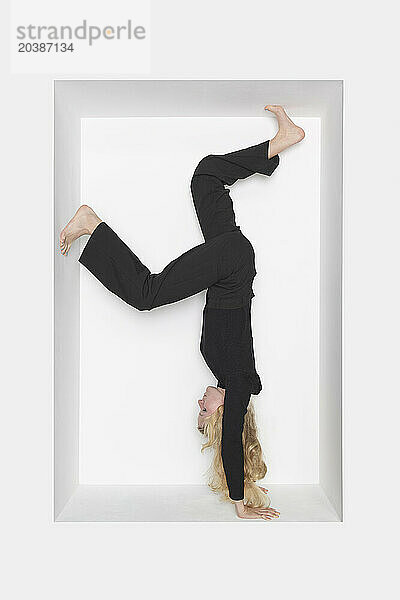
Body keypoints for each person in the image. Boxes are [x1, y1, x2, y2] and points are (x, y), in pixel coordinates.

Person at [60, 105, 305, 520]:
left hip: (232, 261)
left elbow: (231, 436)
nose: (200, 401)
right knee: (146, 293)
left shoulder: (226, 372)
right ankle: (92, 224)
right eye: (205, 410)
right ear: (227, 409)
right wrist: (240, 502)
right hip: (231, 267)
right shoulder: (241, 381)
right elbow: (231, 441)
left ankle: (281, 141)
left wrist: (248, 480)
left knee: (206, 177)